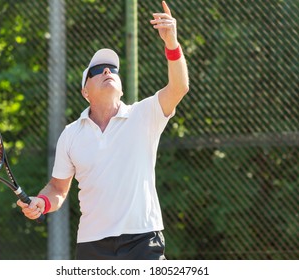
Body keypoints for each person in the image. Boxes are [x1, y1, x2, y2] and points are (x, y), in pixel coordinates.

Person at [17, 0, 189, 260]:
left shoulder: (143, 114)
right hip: (91, 245)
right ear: (85, 92)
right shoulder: (71, 134)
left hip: (143, 239)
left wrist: (172, 44)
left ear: (121, 87)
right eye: (97, 70)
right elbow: (58, 188)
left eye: (113, 70)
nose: (107, 70)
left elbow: (179, 88)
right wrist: (43, 202)